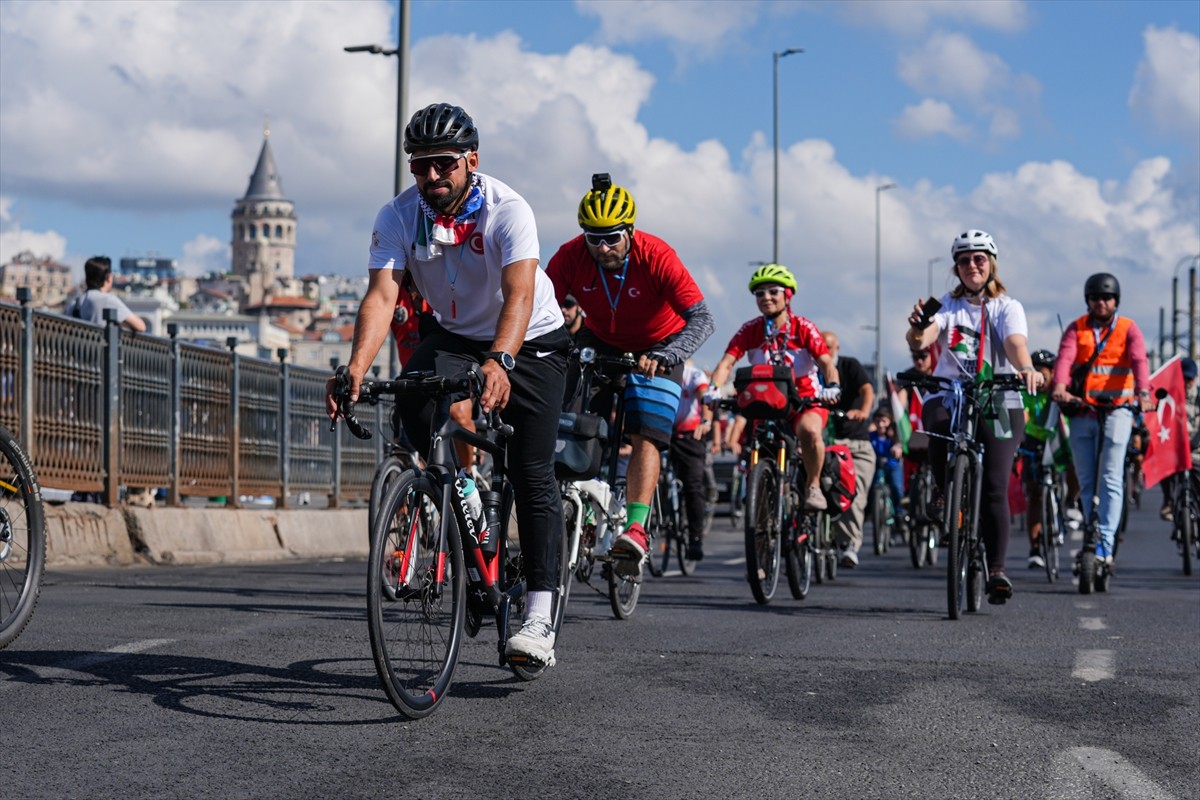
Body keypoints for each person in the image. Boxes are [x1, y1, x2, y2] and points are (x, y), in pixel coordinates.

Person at [325, 103, 569, 664]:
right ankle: (460, 498)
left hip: (531, 340)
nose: (431, 177)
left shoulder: (508, 210)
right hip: (457, 334)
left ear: (470, 161)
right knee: (411, 405)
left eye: (443, 165)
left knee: (531, 470)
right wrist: (356, 370)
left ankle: (537, 615)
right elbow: (383, 297)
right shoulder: (398, 215)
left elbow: (521, 297)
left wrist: (502, 361)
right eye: (419, 166)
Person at [546, 173, 714, 575]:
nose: (602, 247)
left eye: (612, 238)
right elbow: (540, 309)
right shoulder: (570, 256)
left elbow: (703, 318)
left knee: (646, 432)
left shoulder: (657, 256)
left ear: (631, 233)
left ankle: (636, 528)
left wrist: (669, 353)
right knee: (568, 419)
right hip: (601, 337)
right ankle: (581, 501)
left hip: (661, 343)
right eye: (593, 238)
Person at [905, 230, 1043, 605]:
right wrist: (918, 327)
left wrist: (1026, 368)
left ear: (991, 263)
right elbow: (922, 340)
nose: (971, 266)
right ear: (956, 267)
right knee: (934, 422)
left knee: (996, 485)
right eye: (964, 260)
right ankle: (942, 489)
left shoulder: (1007, 306)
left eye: (979, 258)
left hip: (998, 394)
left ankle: (996, 571)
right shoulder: (946, 304)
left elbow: (1016, 344)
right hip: (951, 390)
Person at [708, 264, 841, 511]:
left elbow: (826, 363)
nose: (766, 298)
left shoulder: (803, 327)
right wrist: (713, 388)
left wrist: (832, 386)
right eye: (759, 294)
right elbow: (726, 363)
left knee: (810, 432)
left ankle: (813, 486)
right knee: (757, 443)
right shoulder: (750, 330)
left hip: (804, 401)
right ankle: (760, 491)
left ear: (787, 296)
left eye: (773, 292)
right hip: (767, 403)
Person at [1050, 272, 1154, 568]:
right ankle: (1090, 530)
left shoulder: (1128, 328)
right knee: (1085, 479)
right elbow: (1065, 359)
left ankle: (1106, 544)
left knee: (1109, 478)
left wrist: (1143, 392)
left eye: (1106, 297)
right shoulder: (1076, 329)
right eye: (1095, 298)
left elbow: (1139, 360)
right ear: (1088, 301)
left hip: (1117, 410)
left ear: (1115, 300)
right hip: (1082, 411)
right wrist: (1059, 386)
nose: (1101, 303)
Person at [1019, 348, 1080, 568]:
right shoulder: (1027, 391)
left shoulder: (1060, 390)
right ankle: (1035, 549)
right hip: (1033, 441)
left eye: (1044, 373)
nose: (1040, 378)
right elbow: (1023, 416)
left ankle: (1071, 501)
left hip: (1058, 440)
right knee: (1034, 494)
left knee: (1075, 462)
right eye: (1036, 372)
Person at [820, 330, 875, 567]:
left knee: (853, 493)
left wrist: (863, 411)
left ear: (837, 349)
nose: (825, 353)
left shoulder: (849, 366)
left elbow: (867, 390)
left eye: (829, 348)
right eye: (821, 348)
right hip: (824, 442)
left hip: (854, 443)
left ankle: (851, 543)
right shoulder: (812, 372)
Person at [670, 360, 714, 561]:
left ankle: (695, 538)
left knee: (693, 486)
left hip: (690, 436)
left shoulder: (694, 375)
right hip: (665, 432)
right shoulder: (664, 369)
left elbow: (704, 397)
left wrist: (705, 422)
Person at [1161, 357, 1198, 521]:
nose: (1186, 382)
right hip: (1175, 448)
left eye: (1189, 379)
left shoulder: (1199, 399)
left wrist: (1194, 443)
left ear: (1195, 378)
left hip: (1196, 449)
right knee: (1165, 467)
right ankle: (1168, 501)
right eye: (1183, 378)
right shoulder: (1170, 398)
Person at [69, 256, 146, 332]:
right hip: (102, 344)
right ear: (109, 277)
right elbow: (141, 326)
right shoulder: (107, 299)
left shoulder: (75, 302)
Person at [869, 408, 905, 544]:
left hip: (892, 466)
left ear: (889, 422)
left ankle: (899, 513)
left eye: (884, 421)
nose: (880, 424)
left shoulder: (894, 435)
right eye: (878, 421)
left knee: (896, 488)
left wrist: (898, 447)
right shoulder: (871, 436)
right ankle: (874, 513)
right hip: (878, 467)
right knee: (874, 486)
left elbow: (901, 445)